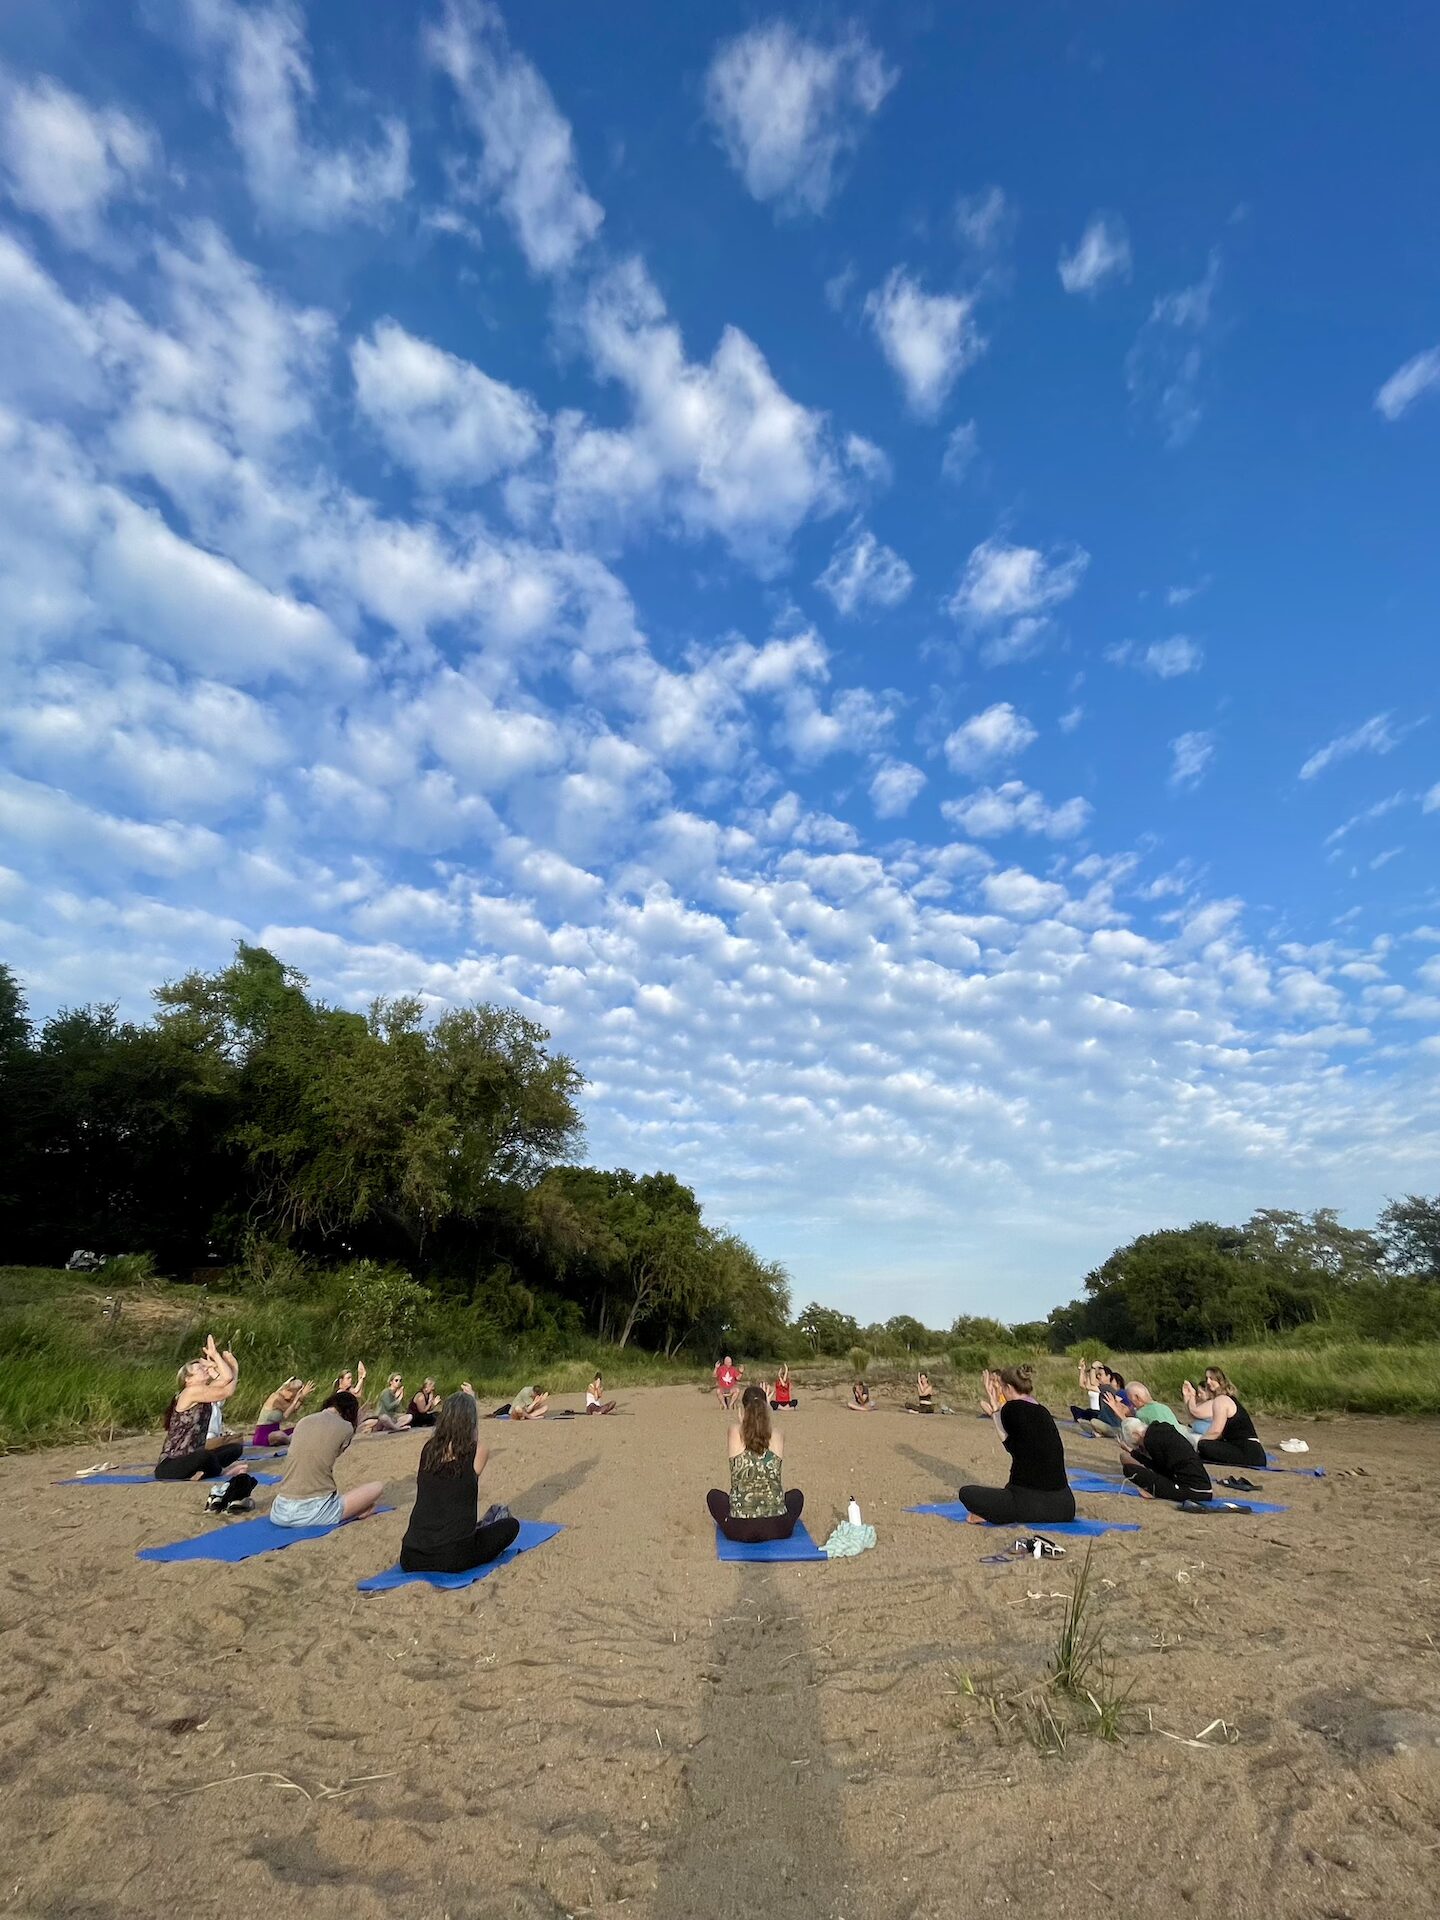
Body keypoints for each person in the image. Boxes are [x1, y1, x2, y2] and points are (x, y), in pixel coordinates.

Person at [399, 1391, 522, 1574]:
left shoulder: (428, 1450)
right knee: (511, 1525)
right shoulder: (477, 1451)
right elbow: (472, 1451)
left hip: (410, 1556)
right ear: (471, 1422)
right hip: (452, 1557)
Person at [959, 1366, 1076, 1526]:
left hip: (1029, 1501)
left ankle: (991, 1514)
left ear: (1008, 1387)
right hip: (1065, 1505)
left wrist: (993, 1400)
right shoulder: (1042, 1411)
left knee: (967, 1493)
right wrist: (994, 1405)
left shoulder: (1011, 1409)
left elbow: (1006, 1441)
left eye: (1001, 1387)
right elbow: (1013, 1445)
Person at [155, 1335, 256, 1510]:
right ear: (188, 1379)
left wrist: (231, 1366)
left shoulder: (203, 1391)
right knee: (205, 1456)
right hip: (170, 1465)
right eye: (199, 1369)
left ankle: (201, 1472)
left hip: (192, 1456)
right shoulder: (189, 1393)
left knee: (234, 1449)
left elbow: (227, 1382)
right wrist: (216, 1358)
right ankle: (221, 1472)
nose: (204, 1369)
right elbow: (227, 1388)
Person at [270, 1391, 384, 1529]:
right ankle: (357, 1512)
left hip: (279, 1511)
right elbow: (335, 1453)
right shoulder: (346, 1427)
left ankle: (358, 1510)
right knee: (377, 1487)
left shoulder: (304, 1421)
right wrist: (355, 1427)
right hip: (314, 1511)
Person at [706, 1384, 804, 1543]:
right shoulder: (778, 1435)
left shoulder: (734, 1432)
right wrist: (766, 1408)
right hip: (778, 1527)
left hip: (741, 1529)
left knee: (714, 1496)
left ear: (744, 1409)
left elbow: (746, 1430)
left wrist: (745, 1419)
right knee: (796, 1496)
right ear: (766, 1410)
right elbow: (765, 1428)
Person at [1183, 1368, 1266, 1469]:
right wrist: (1188, 1397)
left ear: (1220, 1380)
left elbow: (1215, 1432)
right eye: (1207, 1378)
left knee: (1203, 1445)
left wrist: (1199, 1444)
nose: (1208, 1382)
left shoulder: (1222, 1400)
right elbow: (1194, 1415)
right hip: (1245, 1448)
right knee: (1206, 1445)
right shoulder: (1222, 1399)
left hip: (1249, 1450)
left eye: (1212, 1378)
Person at [1118, 1416, 1212, 1503]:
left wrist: (1135, 1454)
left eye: (1138, 1445)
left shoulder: (1150, 1440)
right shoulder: (1162, 1430)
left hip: (1193, 1491)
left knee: (1129, 1469)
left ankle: (1155, 1491)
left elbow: (1159, 1471)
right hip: (1203, 1487)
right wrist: (1132, 1451)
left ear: (1135, 1435)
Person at [253, 1377, 313, 1448]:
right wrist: (298, 1398)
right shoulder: (275, 1398)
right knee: (279, 1435)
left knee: (300, 1428)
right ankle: (291, 1440)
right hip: (264, 1436)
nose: (292, 1397)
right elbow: (286, 1415)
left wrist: (302, 1396)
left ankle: (293, 1438)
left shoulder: (285, 1399)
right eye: (293, 1395)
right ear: (288, 1390)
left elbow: (294, 1409)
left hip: (276, 1431)